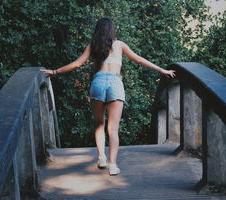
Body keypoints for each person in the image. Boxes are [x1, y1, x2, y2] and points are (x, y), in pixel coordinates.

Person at [41, 17, 175, 176]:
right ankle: (112, 165)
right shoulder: (119, 45)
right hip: (115, 83)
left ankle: (102, 158)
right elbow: (139, 59)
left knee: (99, 124)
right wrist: (162, 70)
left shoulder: (93, 46)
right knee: (113, 129)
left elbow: (77, 64)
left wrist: (55, 72)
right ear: (112, 30)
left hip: (98, 83)